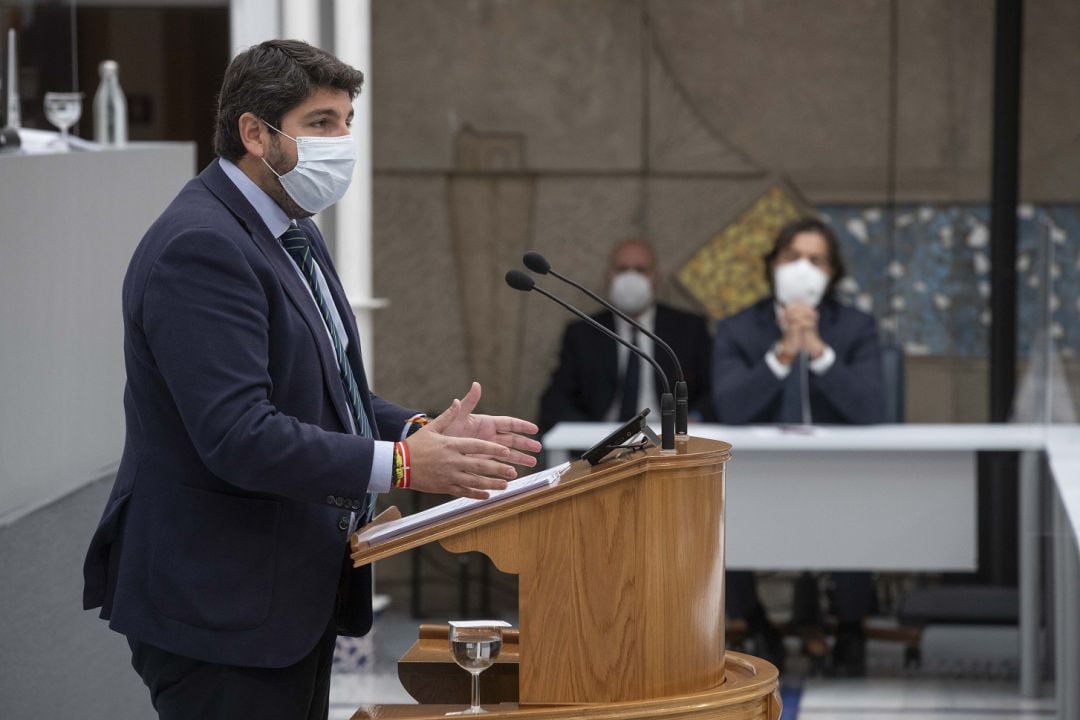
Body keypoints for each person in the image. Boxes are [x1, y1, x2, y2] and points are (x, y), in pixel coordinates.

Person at [81, 40, 541, 719]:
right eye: (322, 123)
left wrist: (417, 430)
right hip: (222, 610)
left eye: (348, 121)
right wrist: (408, 464)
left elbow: (326, 392)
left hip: (285, 598)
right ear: (254, 134)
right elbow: (240, 435)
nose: (343, 141)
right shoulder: (202, 246)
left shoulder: (290, 228)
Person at [712, 217, 885, 676]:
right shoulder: (738, 328)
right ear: (773, 264)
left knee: (860, 510)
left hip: (839, 475)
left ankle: (850, 626)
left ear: (832, 273)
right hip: (758, 477)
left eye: (816, 260)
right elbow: (730, 405)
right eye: (793, 258)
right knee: (720, 516)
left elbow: (870, 406)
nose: (803, 269)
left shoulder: (856, 327)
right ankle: (757, 623)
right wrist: (783, 354)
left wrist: (819, 350)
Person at [538, 238, 713, 436]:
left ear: (656, 278)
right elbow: (556, 400)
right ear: (608, 277)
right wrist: (587, 435)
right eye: (622, 270)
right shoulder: (583, 333)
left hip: (669, 441)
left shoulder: (688, 328)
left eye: (640, 270)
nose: (631, 278)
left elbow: (713, 391)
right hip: (604, 444)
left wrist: (695, 418)